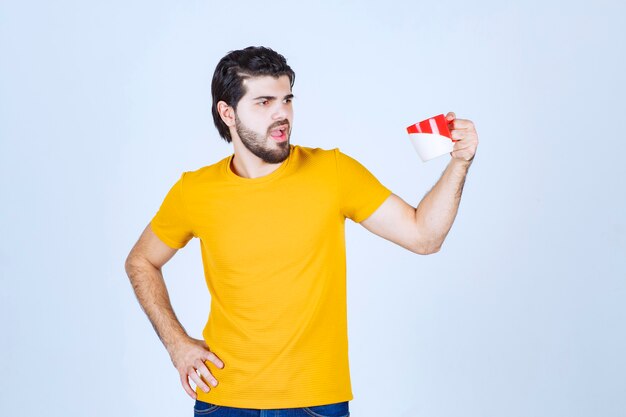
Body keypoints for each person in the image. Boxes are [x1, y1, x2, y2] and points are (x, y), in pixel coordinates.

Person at [125, 46, 479, 416]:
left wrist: (459, 163)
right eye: (264, 102)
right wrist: (176, 344)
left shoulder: (333, 172)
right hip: (222, 400)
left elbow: (425, 236)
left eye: (287, 100)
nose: (282, 114)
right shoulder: (194, 191)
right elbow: (141, 260)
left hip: (314, 404)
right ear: (227, 113)